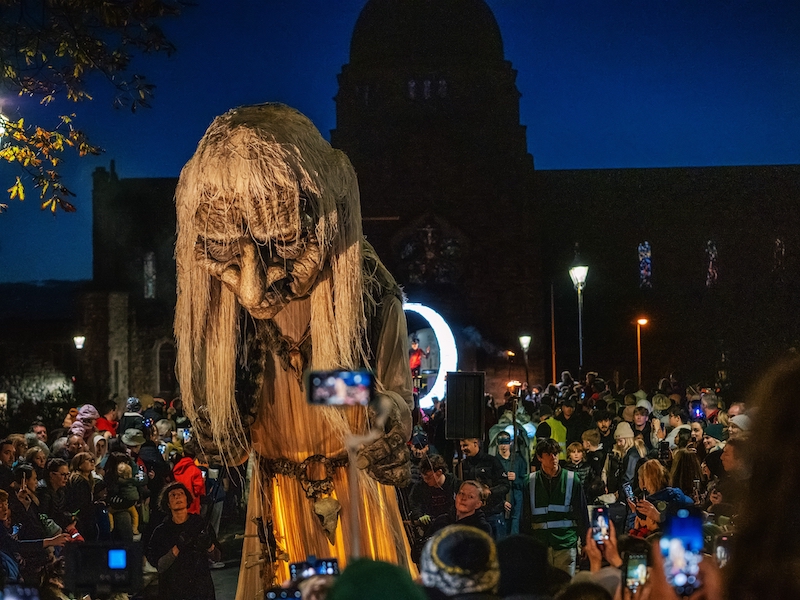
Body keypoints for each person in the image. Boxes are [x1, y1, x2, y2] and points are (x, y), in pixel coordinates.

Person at [523, 438, 589, 576]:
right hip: (540, 544)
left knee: (564, 589)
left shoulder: (572, 479)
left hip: (565, 543)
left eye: (556, 453)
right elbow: (525, 515)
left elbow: (581, 512)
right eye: (549, 454)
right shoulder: (530, 481)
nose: (553, 458)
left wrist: (585, 542)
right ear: (540, 457)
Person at [146, 481, 218, 600]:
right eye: (172, 495)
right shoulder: (161, 532)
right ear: (168, 504)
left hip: (201, 590)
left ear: (187, 499)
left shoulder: (200, 524)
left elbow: (217, 557)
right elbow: (160, 566)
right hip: (172, 592)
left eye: (181, 493)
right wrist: (177, 547)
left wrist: (209, 545)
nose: (177, 496)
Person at [459, 438, 509, 538]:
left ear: (475, 443)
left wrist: (490, 492)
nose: (462, 449)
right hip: (475, 517)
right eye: (461, 446)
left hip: (493, 515)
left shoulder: (492, 461)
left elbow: (505, 485)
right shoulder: (463, 465)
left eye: (465, 445)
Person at [427, 480, 492, 537]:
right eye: (461, 493)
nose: (463, 498)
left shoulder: (481, 528)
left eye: (470, 496)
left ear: (478, 504)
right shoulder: (441, 520)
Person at [494, 432, 526, 538]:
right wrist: (501, 501)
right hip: (501, 499)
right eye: (501, 443)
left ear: (510, 443)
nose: (503, 446)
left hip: (517, 496)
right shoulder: (494, 462)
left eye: (506, 443)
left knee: (515, 526)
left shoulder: (518, 460)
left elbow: (525, 481)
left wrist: (516, 479)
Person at [173, 442, 206, 515]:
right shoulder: (195, 471)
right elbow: (198, 491)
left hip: (178, 502)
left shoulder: (176, 469)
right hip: (192, 506)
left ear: (183, 454)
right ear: (195, 456)